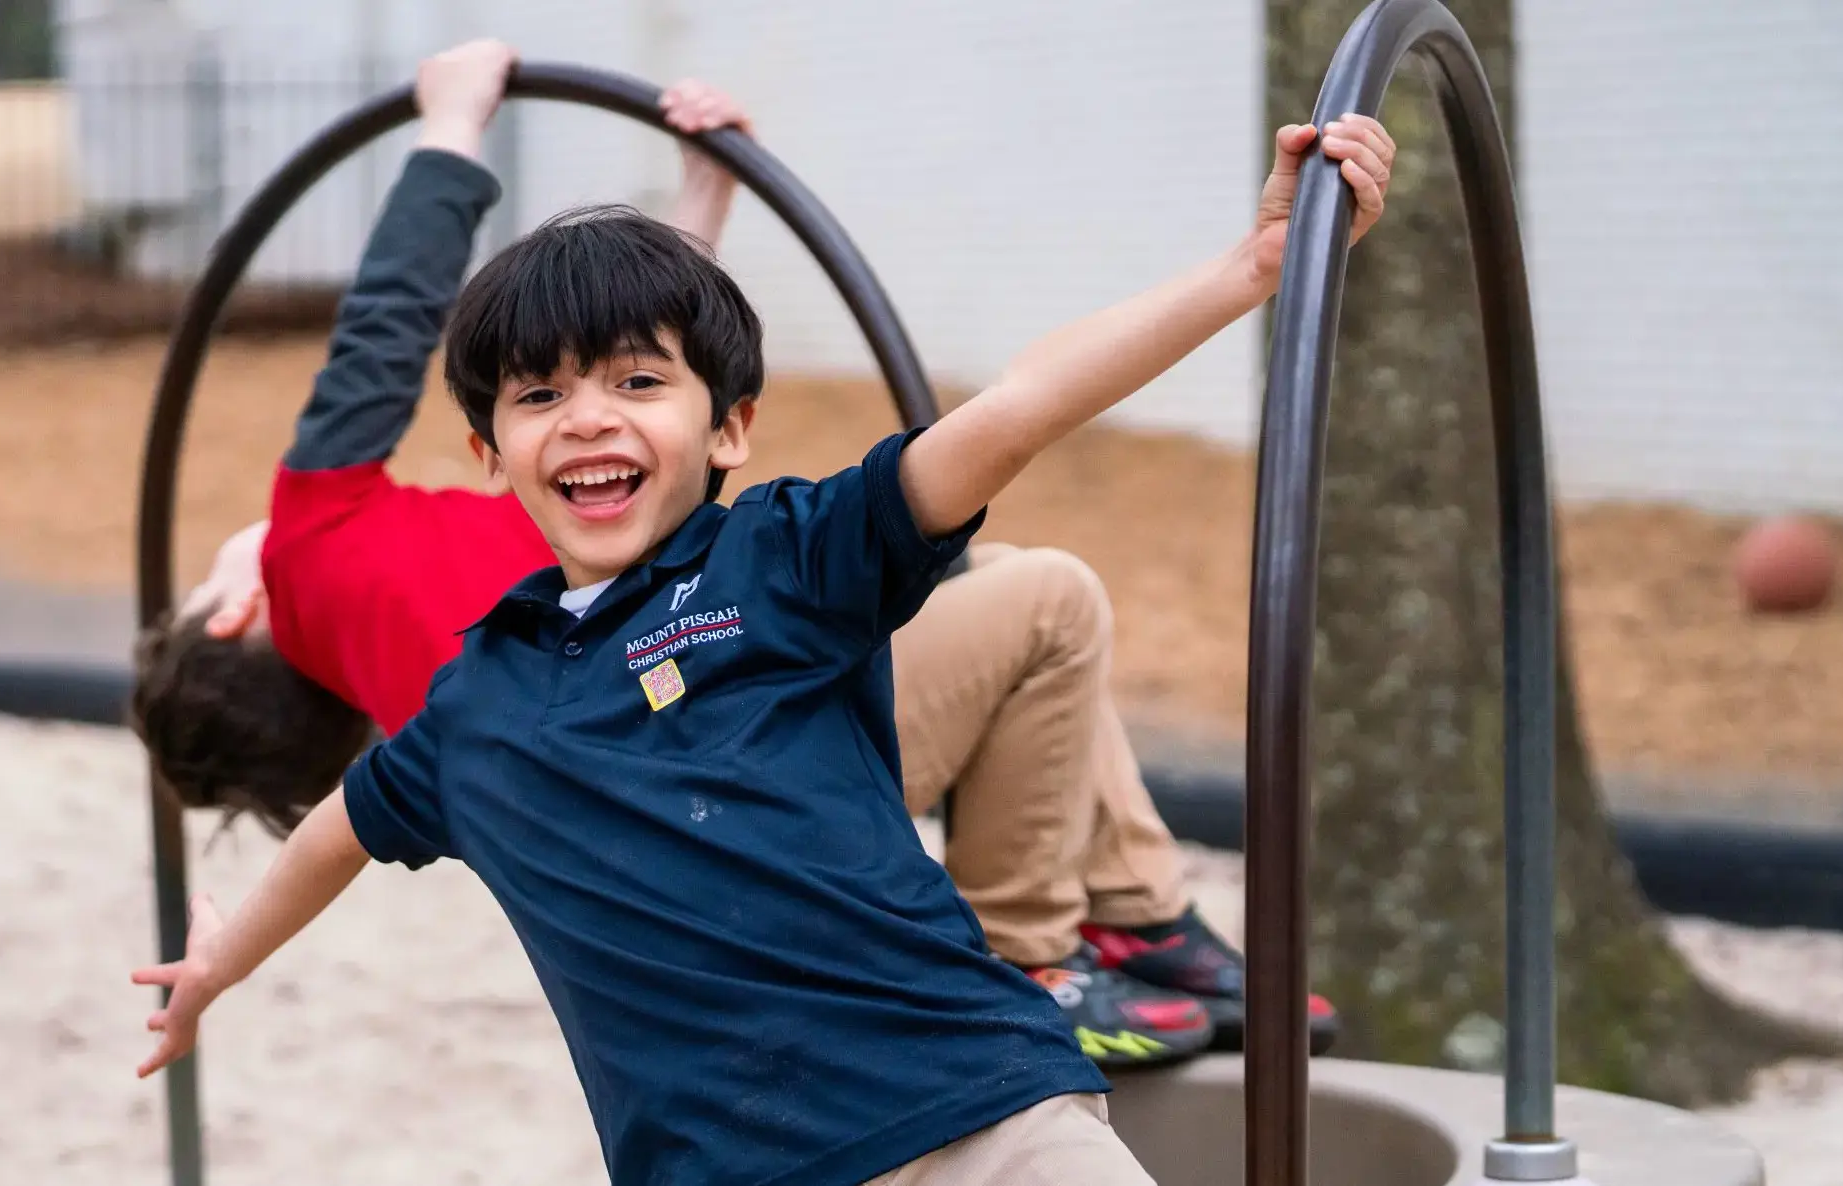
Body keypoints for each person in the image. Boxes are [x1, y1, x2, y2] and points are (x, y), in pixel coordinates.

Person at [127, 48, 1398, 1183]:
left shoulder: (756, 561)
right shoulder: (447, 675)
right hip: (758, 1133)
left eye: (632, 385)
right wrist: (456, 123)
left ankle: (1061, 949)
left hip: (987, 1105)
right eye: (540, 401)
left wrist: (1250, 271)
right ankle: (1068, 941)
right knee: (1028, 596)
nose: (586, 417)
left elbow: (999, 411)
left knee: (1000, 575)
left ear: (731, 427)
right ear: (487, 448)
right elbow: (400, 333)